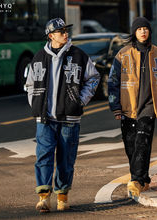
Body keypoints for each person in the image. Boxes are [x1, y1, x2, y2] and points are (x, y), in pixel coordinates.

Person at [25, 18, 100, 213]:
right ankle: (43, 197)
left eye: (66, 30)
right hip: (45, 119)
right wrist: (35, 104)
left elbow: (93, 78)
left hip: (69, 120)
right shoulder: (39, 57)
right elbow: (30, 84)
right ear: (51, 36)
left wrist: (80, 101)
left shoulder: (79, 56)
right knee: (44, 157)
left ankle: (62, 196)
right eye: (60, 31)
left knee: (66, 160)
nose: (65, 34)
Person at [108, 17, 157, 200]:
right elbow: (112, 82)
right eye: (139, 29)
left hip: (149, 107)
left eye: (146, 28)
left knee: (142, 143)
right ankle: (143, 179)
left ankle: (135, 181)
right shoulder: (123, 54)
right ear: (134, 32)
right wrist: (115, 106)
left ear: (149, 31)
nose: (143, 31)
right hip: (128, 108)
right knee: (131, 147)